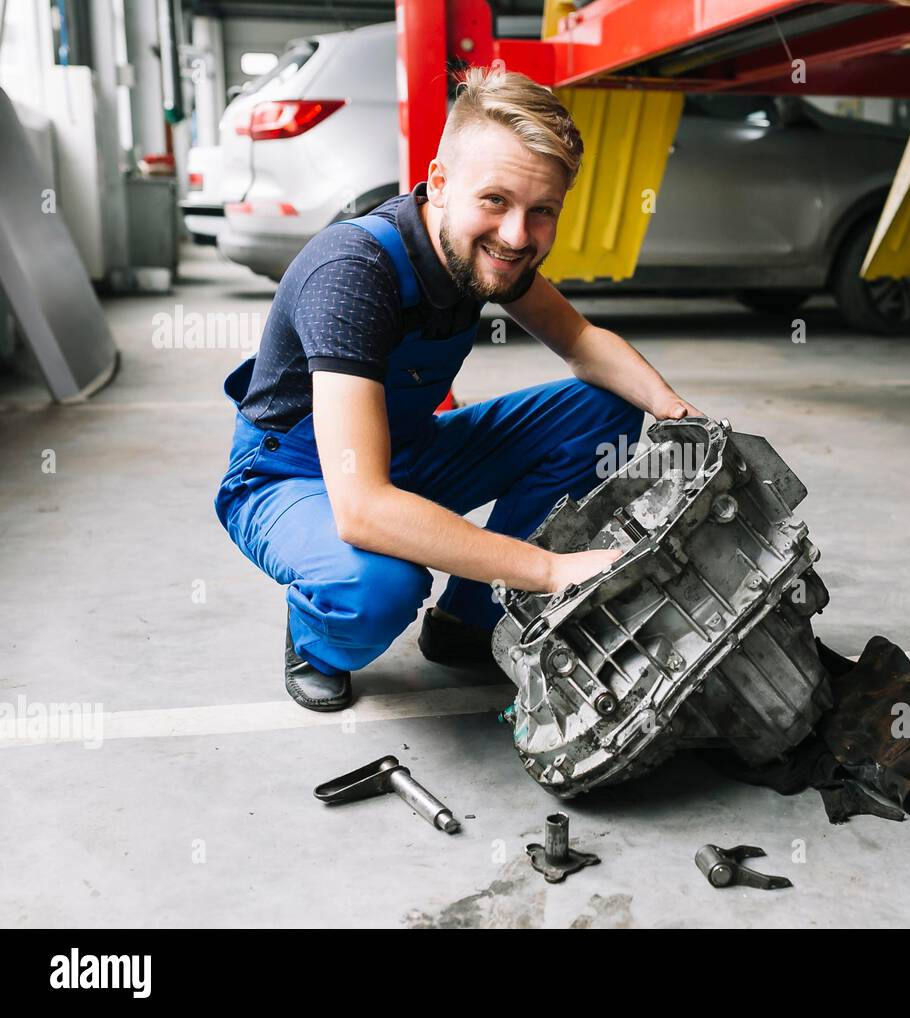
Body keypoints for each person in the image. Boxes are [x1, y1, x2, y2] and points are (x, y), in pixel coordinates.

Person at [214, 67, 701, 711]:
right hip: (295, 479)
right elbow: (360, 506)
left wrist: (679, 413)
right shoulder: (354, 272)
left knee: (600, 406)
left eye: (542, 211)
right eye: (495, 200)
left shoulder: (494, 254)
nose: (517, 235)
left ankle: (471, 620)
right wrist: (551, 572)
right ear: (439, 183)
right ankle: (316, 637)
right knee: (377, 586)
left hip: (404, 452)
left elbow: (581, 341)